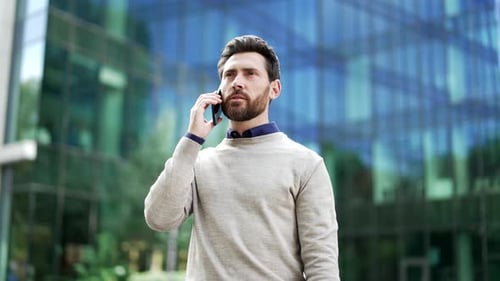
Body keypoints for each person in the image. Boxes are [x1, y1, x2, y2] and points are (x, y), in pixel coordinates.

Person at [144, 35, 340, 280]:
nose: (237, 82)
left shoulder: (306, 164)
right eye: (229, 75)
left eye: (250, 74)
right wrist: (191, 140)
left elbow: (322, 265)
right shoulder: (198, 162)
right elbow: (158, 218)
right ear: (219, 91)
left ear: (274, 89)